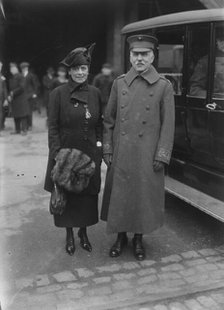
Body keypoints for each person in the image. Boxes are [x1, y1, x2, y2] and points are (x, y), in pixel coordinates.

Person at [101, 34, 175, 261]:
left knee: (143, 196)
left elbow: (168, 125)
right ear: (130, 56)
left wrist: (162, 154)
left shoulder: (164, 86)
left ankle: (139, 239)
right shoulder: (119, 83)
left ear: (153, 56)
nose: (140, 59)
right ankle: (120, 236)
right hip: (122, 150)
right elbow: (108, 120)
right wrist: (107, 148)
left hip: (147, 152)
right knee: (121, 195)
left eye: (145, 54)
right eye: (136, 54)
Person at [44, 44, 103, 256]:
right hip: (65, 154)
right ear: (69, 71)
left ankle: (83, 233)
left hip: (89, 154)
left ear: (88, 70)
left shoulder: (96, 93)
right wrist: (57, 153)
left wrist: (98, 148)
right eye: (76, 68)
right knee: (67, 196)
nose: (80, 72)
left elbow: (99, 125)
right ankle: (69, 234)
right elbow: (52, 127)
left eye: (84, 68)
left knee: (87, 196)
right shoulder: (58, 94)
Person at [190, 30, 224, 97]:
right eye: (221, 40)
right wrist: (215, 97)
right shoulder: (206, 61)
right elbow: (194, 90)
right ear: (216, 41)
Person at [8, 63, 29, 135]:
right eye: (11, 69)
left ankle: (24, 130)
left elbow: (22, 87)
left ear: (16, 69)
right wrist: (11, 95)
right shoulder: (12, 77)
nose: (11, 70)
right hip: (15, 100)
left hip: (21, 99)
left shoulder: (20, 76)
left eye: (13, 69)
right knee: (16, 115)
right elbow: (11, 88)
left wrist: (13, 93)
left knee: (22, 115)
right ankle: (17, 130)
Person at [20, 62, 39, 130]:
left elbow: (35, 85)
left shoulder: (31, 75)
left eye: (25, 68)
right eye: (23, 68)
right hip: (22, 96)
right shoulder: (20, 75)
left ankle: (30, 125)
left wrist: (34, 93)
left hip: (30, 95)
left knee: (29, 111)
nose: (24, 69)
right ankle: (25, 126)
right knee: (23, 111)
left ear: (27, 68)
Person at [0, 61, 8, 135]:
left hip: (1, 98)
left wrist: (6, 99)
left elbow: (5, 88)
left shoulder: (2, 77)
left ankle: (1, 126)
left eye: (1, 67)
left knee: (1, 113)